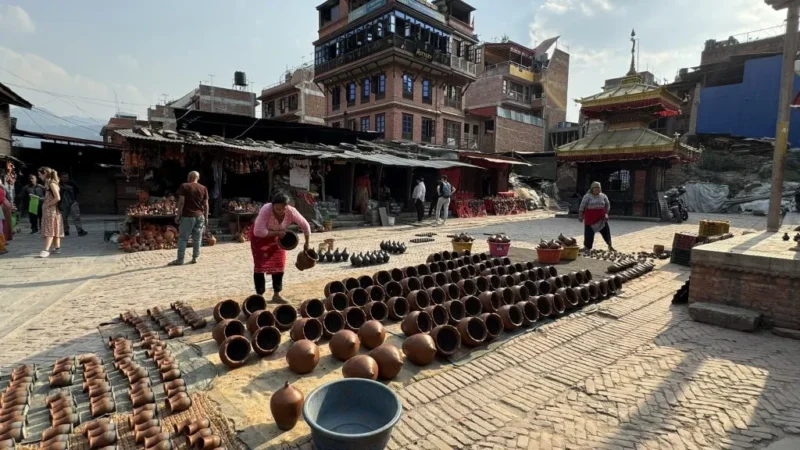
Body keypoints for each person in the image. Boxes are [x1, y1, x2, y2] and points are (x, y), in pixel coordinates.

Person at [251, 192, 311, 303]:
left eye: (283, 209)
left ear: (287, 206)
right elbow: (258, 231)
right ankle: (260, 296)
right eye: (277, 209)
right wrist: (277, 232)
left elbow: (305, 225)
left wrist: (307, 243)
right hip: (259, 237)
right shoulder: (266, 209)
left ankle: (276, 294)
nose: (281, 211)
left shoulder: (291, 211)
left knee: (280, 264)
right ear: (272, 205)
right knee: (260, 265)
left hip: (278, 237)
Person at [169, 171, 208, 266]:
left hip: (187, 216)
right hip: (199, 216)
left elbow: (181, 202)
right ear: (197, 178)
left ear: (190, 177)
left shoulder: (184, 186)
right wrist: (206, 218)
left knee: (183, 239)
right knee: (197, 239)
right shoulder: (203, 188)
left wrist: (178, 215)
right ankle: (195, 257)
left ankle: (180, 259)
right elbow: (206, 205)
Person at [578, 181, 616, 253]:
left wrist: (606, 214)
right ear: (592, 189)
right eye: (595, 188)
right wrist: (580, 215)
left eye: (598, 188)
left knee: (606, 232)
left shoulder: (603, 196)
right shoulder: (587, 196)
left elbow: (607, 205)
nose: (597, 190)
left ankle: (610, 245)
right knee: (589, 233)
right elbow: (582, 206)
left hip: (601, 218)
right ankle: (587, 247)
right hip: (590, 217)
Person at [37, 167, 64, 258]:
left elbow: (57, 198)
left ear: (45, 173)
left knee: (50, 229)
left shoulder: (51, 183)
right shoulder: (49, 183)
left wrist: (47, 205)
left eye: (40, 174)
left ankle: (46, 249)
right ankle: (57, 248)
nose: (39, 176)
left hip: (51, 211)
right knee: (55, 228)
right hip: (52, 210)